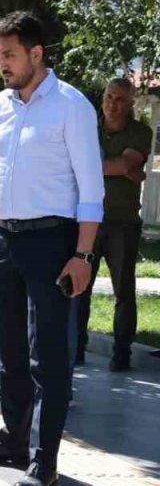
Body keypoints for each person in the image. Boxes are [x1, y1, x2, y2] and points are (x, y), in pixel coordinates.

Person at [0, 12, 103, 486]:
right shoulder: (0, 105)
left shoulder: (71, 106)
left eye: (9, 55)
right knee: (10, 350)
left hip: (53, 242)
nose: (1, 63)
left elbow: (91, 189)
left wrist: (82, 256)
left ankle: (46, 461)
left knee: (50, 356)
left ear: (36, 54)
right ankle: (13, 440)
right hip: (7, 240)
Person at [76, 78, 150, 372]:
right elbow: (123, 168)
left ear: (130, 103)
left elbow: (125, 165)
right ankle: (75, 349)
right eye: (109, 96)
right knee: (79, 287)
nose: (112, 103)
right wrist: (122, 169)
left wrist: (111, 167)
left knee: (124, 291)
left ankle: (121, 354)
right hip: (87, 220)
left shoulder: (140, 132)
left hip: (123, 223)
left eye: (120, 99)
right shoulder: (88, 128)